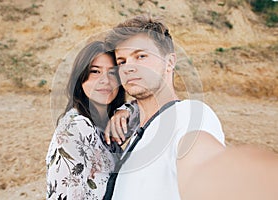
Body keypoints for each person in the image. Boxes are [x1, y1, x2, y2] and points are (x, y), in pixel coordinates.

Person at [104, 15, 278, 200]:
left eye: (141, 56)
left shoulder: (186, 115)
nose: (129, 67)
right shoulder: (135, 135)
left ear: (170, 62)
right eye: (122, 61)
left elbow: (207, 168)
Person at [46, 41, 128, 199]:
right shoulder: (74, 129)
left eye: (112, 73)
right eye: (95, 71)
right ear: (81, 77)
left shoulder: (106, 125)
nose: (105, 80)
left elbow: (147, 104)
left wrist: (125, 110)